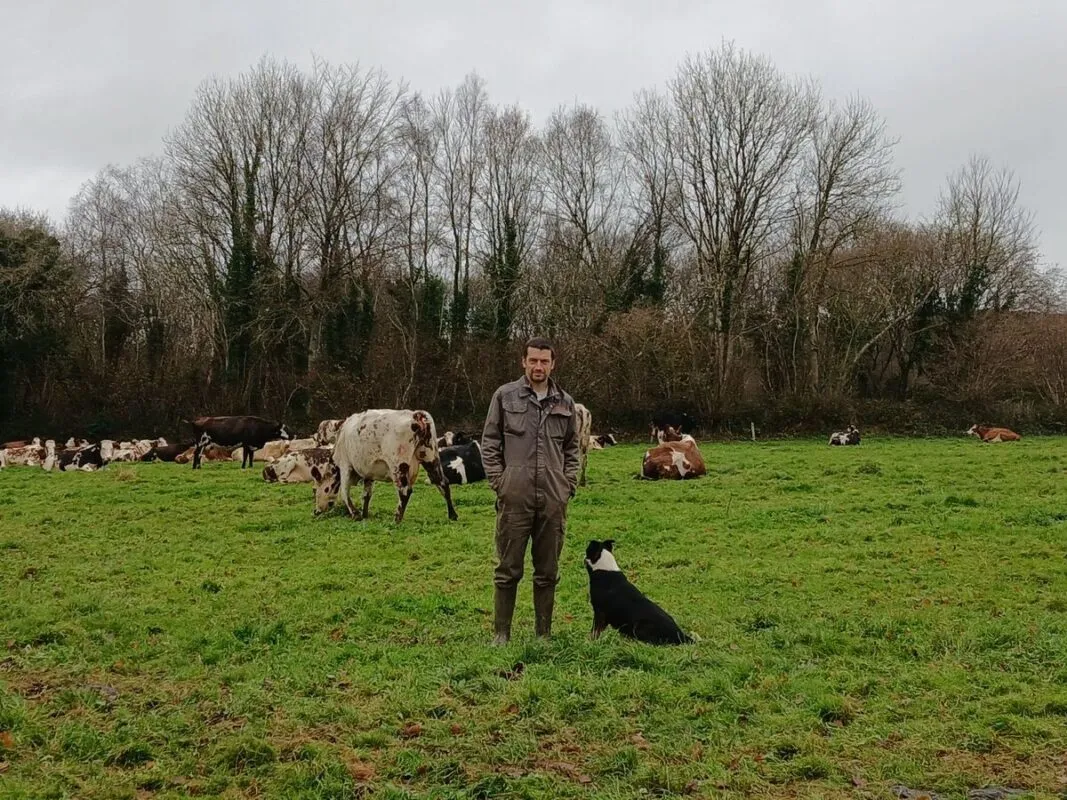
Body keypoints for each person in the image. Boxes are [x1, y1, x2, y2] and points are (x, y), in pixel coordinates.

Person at [480, 337, 580, 645]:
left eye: (544, 361)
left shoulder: (565, 403)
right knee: (507, 568)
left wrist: (567, 485)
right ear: (523, 362)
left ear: (553, 364)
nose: (539, 366)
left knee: (547, 570)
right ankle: (501, 634)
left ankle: (543, 635)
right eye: (533, 360)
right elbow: (490, 442)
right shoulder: (504, 396)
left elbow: (572, 449)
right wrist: (500, 482)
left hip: (552, 499)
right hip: (515, 497)